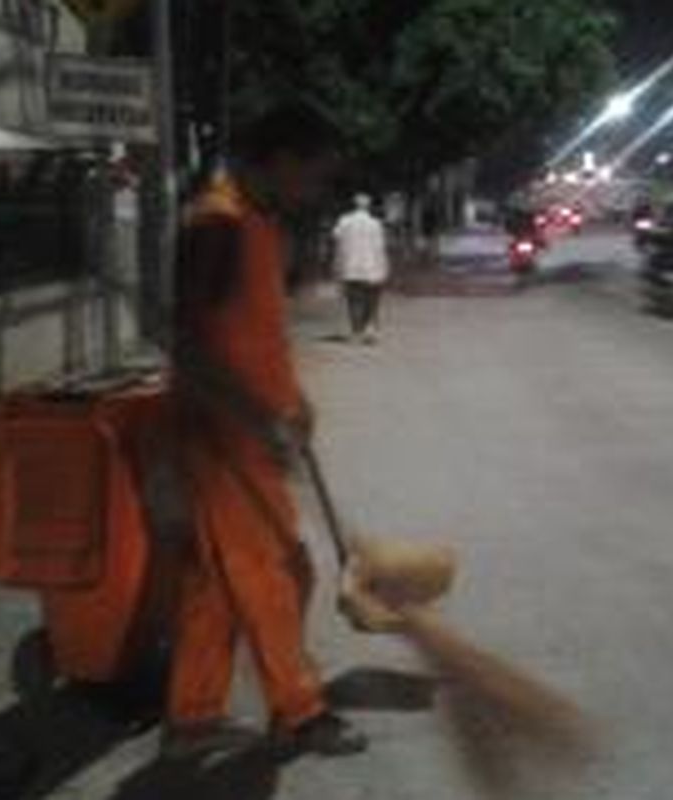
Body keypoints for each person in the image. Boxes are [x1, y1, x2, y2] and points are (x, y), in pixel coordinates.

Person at [160, 103, 367, 759]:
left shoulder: (257, 224)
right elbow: (185, 345)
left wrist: (293, 400)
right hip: (221, 444)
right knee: (281, 571)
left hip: (250, 436)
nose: (314, 192)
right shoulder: (216, 225)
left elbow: (253, 335)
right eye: (312, 176)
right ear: (279, 159)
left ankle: (191, 722)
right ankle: (300, 711)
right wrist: (258, 415)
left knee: (218, 582)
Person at [332, 193, 390, 344]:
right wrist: (383, 267)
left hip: (350, 266)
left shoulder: (344, 221)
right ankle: (369, 328)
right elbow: (380, 248)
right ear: (368, 206)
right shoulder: (376, 224)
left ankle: (356, 331)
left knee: (353, 300)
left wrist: (336, 264)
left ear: (354, 204)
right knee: (371, 299)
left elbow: (336, 239)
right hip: (371, 267)